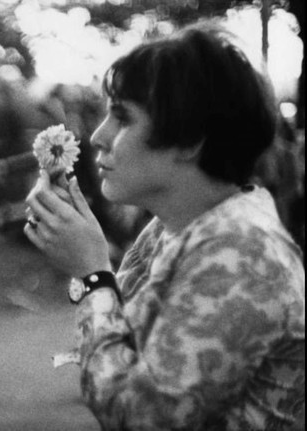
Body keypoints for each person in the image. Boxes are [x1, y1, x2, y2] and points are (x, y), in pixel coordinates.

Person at [24, 22, 305, 430]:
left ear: (191, 139)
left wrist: (90, 275)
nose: (99, 136)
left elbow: (141, 417)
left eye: (122, 117)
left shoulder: (241, 252)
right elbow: (119, 343)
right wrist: (84, 262)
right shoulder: (174, 227)